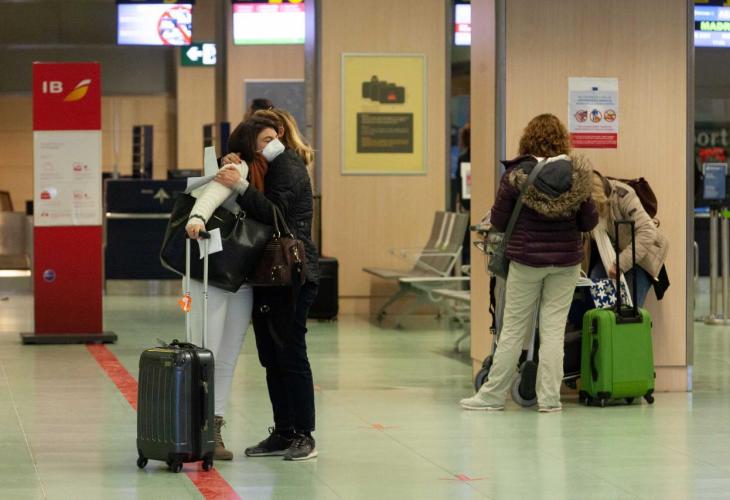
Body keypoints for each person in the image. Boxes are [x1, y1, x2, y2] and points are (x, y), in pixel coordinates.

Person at [460, 113, 598, 413]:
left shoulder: (516, 175)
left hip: (526, 261)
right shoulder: (577, 175)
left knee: (512, 329)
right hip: (566, 262)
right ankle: (549, 399)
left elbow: (498, 221)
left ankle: (493, 395)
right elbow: (589, 221)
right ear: (562, 140)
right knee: (553, 331)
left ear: (528, 139)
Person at [214, 115, 320, 461]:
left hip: (292, 273)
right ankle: (284, 431)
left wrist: (241, 187)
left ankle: (303, 434)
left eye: (272, 138)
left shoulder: (287, 164)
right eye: (262, 141)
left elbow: (277, 215)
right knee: (272, 357)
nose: (269, 145)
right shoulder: (264, 169)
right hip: (270, 274)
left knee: (291, 353)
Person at [183, 128, 266, 461]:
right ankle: (191, 426)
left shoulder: (271, 175)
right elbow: (211, 195)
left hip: (241, 276)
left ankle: (213, 427)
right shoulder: (238, 167)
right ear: (249, 145)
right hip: (210, 272)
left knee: (228, 356)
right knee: (204, 351)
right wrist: (197, 218)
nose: (274, 145)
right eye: (266, 140)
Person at [588, 171, 669, 307]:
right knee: (599, 294)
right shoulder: (586, 200)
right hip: (611, 255)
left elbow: (648, 232)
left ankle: (627, 319)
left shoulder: (624, 195)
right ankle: (608, 320)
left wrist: (620, 264)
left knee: (629, 309)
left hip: (640, 259)